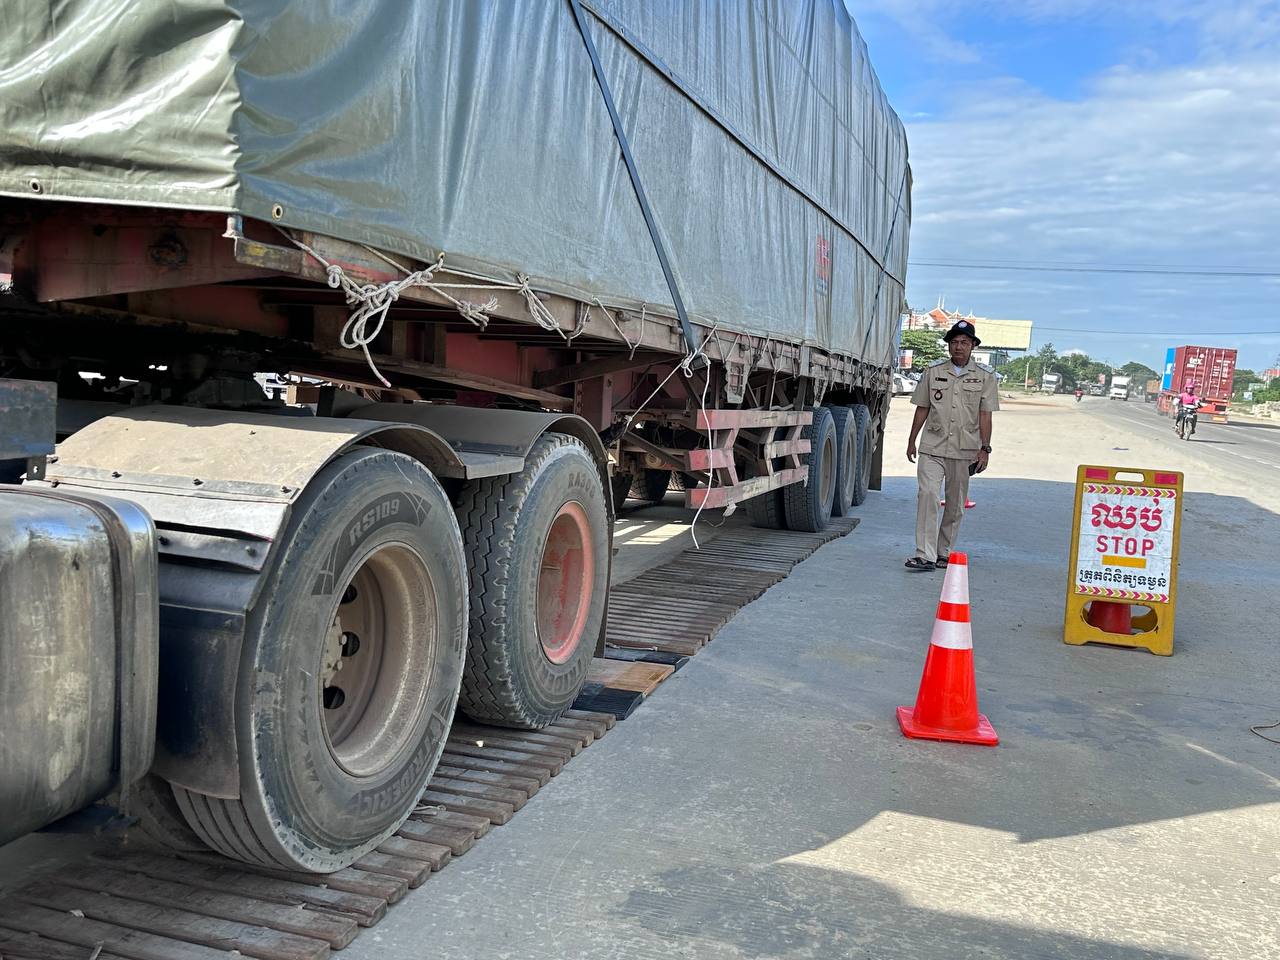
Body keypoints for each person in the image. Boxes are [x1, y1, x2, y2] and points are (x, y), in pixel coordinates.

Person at [904, 320, 999, 571]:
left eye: (964, 342)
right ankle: (924, 554)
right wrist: (912, 440)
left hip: (965, 449)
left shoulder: (985, 377)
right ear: (948, 346)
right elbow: (922, 407)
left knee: (955, 504)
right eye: (954, 342)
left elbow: (985, 415)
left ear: (973, 346)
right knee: (928, 494)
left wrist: (985, 449)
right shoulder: (933, 372)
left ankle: (943, 552)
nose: (958, 347)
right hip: (932, 446)